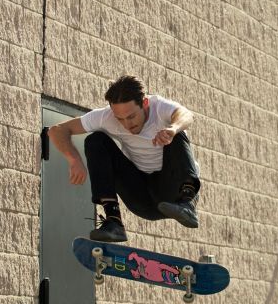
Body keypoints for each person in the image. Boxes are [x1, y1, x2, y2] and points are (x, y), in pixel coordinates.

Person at [48, 75, 200, 243]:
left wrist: (172, 129)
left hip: (172, 195)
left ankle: (188, 203)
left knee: (177, 134)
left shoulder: (160, 107)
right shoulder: (105, 117)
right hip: (141, 197)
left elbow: (187, 115)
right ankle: (113, 222)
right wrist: (74, 159)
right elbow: (57, 130)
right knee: (95, 140)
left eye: (131, 117)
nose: (127, 124)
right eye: (120, 118)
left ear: (145, 103)